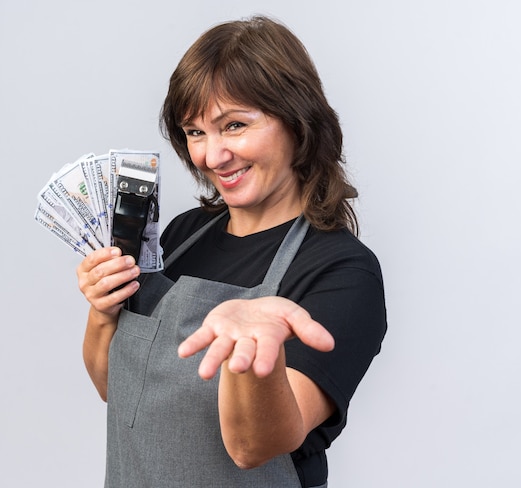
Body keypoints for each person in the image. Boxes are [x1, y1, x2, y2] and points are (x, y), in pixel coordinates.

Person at [76, 15, 387, 488]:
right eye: (195, 132)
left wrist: (250, 348)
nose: (212, 156)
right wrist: (103, 311)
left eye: (234, 125)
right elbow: (118, 393)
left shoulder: (342, 272)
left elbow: (254, 448)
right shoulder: (180, 236)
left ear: (297, 121)